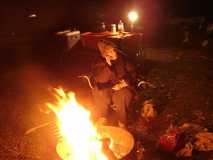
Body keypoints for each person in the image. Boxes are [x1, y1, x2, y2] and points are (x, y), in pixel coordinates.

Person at [91, 39, 136, 127]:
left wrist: (124, 83)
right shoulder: (99, 62)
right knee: (98, 92)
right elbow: (100, 80)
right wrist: (108, 66)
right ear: (104, 53)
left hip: (122, 88)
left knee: (121, 96)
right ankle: (102, 118)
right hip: (106, 87)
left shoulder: (124, 60)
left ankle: (122, 123)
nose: (111, 53)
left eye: (112, 50)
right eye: (108, 51)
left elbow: (133, 74)